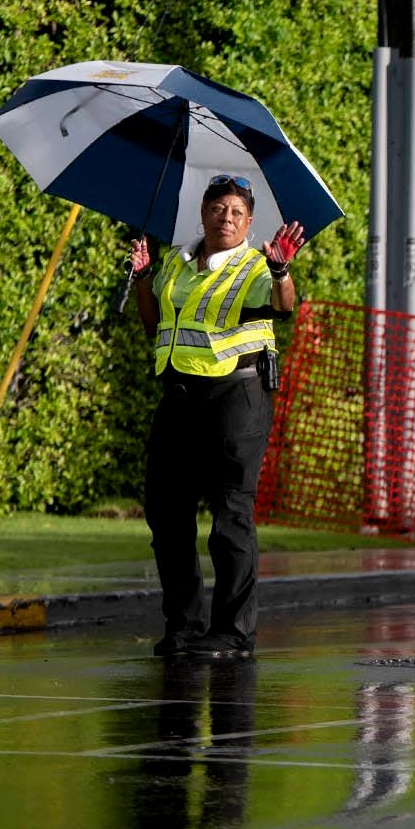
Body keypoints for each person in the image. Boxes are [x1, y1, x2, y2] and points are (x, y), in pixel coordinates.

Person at [130, 175, 304, 659]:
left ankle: (233, 632)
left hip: (236, 398)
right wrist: (144, 279)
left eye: (235, 212)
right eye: (217, 208)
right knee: (167, 516)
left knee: (230, 516)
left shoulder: (255, 266)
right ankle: (184, 626)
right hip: (180, 397)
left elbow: (283, 305)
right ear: (203, 212)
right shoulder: (175, 264)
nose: (225, 218)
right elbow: (152, 325)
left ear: (248, 223)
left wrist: (282, 271)